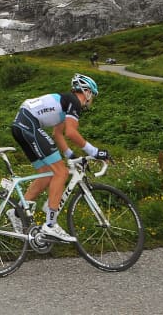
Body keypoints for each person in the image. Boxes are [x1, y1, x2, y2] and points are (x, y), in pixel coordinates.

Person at [10, 73, 110, 243]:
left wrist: (72, 156)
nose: (91, 100)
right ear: (86, 92)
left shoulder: (64, 103)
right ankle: (50, 225)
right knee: (61, 173)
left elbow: (58, 134)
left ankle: (18, 212)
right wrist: (95, 152)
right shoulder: (74, 102)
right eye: (92, 95)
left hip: (21, 125)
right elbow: (71, 132)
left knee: (47, 174)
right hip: (29, 124)